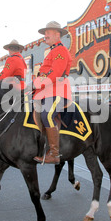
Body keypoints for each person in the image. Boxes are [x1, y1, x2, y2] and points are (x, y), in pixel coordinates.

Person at [32, 21, 72, 164]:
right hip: (47, 91)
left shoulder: (60, 50)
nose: (45, 36)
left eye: (48, 33)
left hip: (58, 91)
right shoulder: (53, 51)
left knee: (47, 114)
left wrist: (38, 83)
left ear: (57, 34)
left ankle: (54, 153)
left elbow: (56, 73)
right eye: (45, 33)